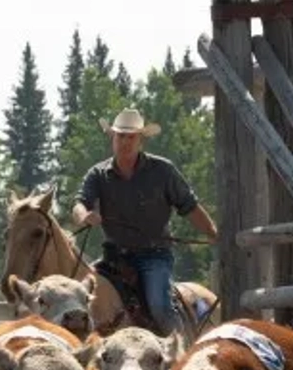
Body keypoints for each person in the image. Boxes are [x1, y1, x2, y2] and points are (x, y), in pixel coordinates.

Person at [72, 107, 218, 335]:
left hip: (154, 255)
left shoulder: (163, 171)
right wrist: (85, 216)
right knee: (79, 297)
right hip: (113, 258)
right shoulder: (97, 174)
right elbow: (80, 203)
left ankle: (180, 349)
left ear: (141, 140)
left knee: (159, 308)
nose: (125, 142)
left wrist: (212, 233)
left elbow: (189, 206)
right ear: (113, 137)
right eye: (121, 136)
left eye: (131, 137)